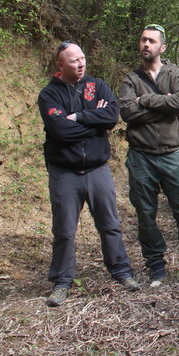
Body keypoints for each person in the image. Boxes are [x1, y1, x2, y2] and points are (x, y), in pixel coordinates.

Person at [38, 42, 140, 309]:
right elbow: (61, 132)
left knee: (110, 224)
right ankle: (62, 282)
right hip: (64, 172)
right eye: (74, 61)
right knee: (64, 231)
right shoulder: (49, 95)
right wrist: (94, 122)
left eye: (82, 58)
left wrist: (78, 117)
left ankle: (122, 273)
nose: (81, 64)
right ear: (60, 65)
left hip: (97, 169)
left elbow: (111, 116)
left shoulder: (98, 86)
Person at [119, 24, 179, 283]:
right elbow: (127, 113)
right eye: (143, 40)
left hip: (172, 155)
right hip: (141, 156)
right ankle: (155, 264)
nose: (145, 45)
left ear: (162, 47)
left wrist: (145, 100)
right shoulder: (131, 79)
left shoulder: (174, 72)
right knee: (145, 213)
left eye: (151, 41)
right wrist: (164, 103)